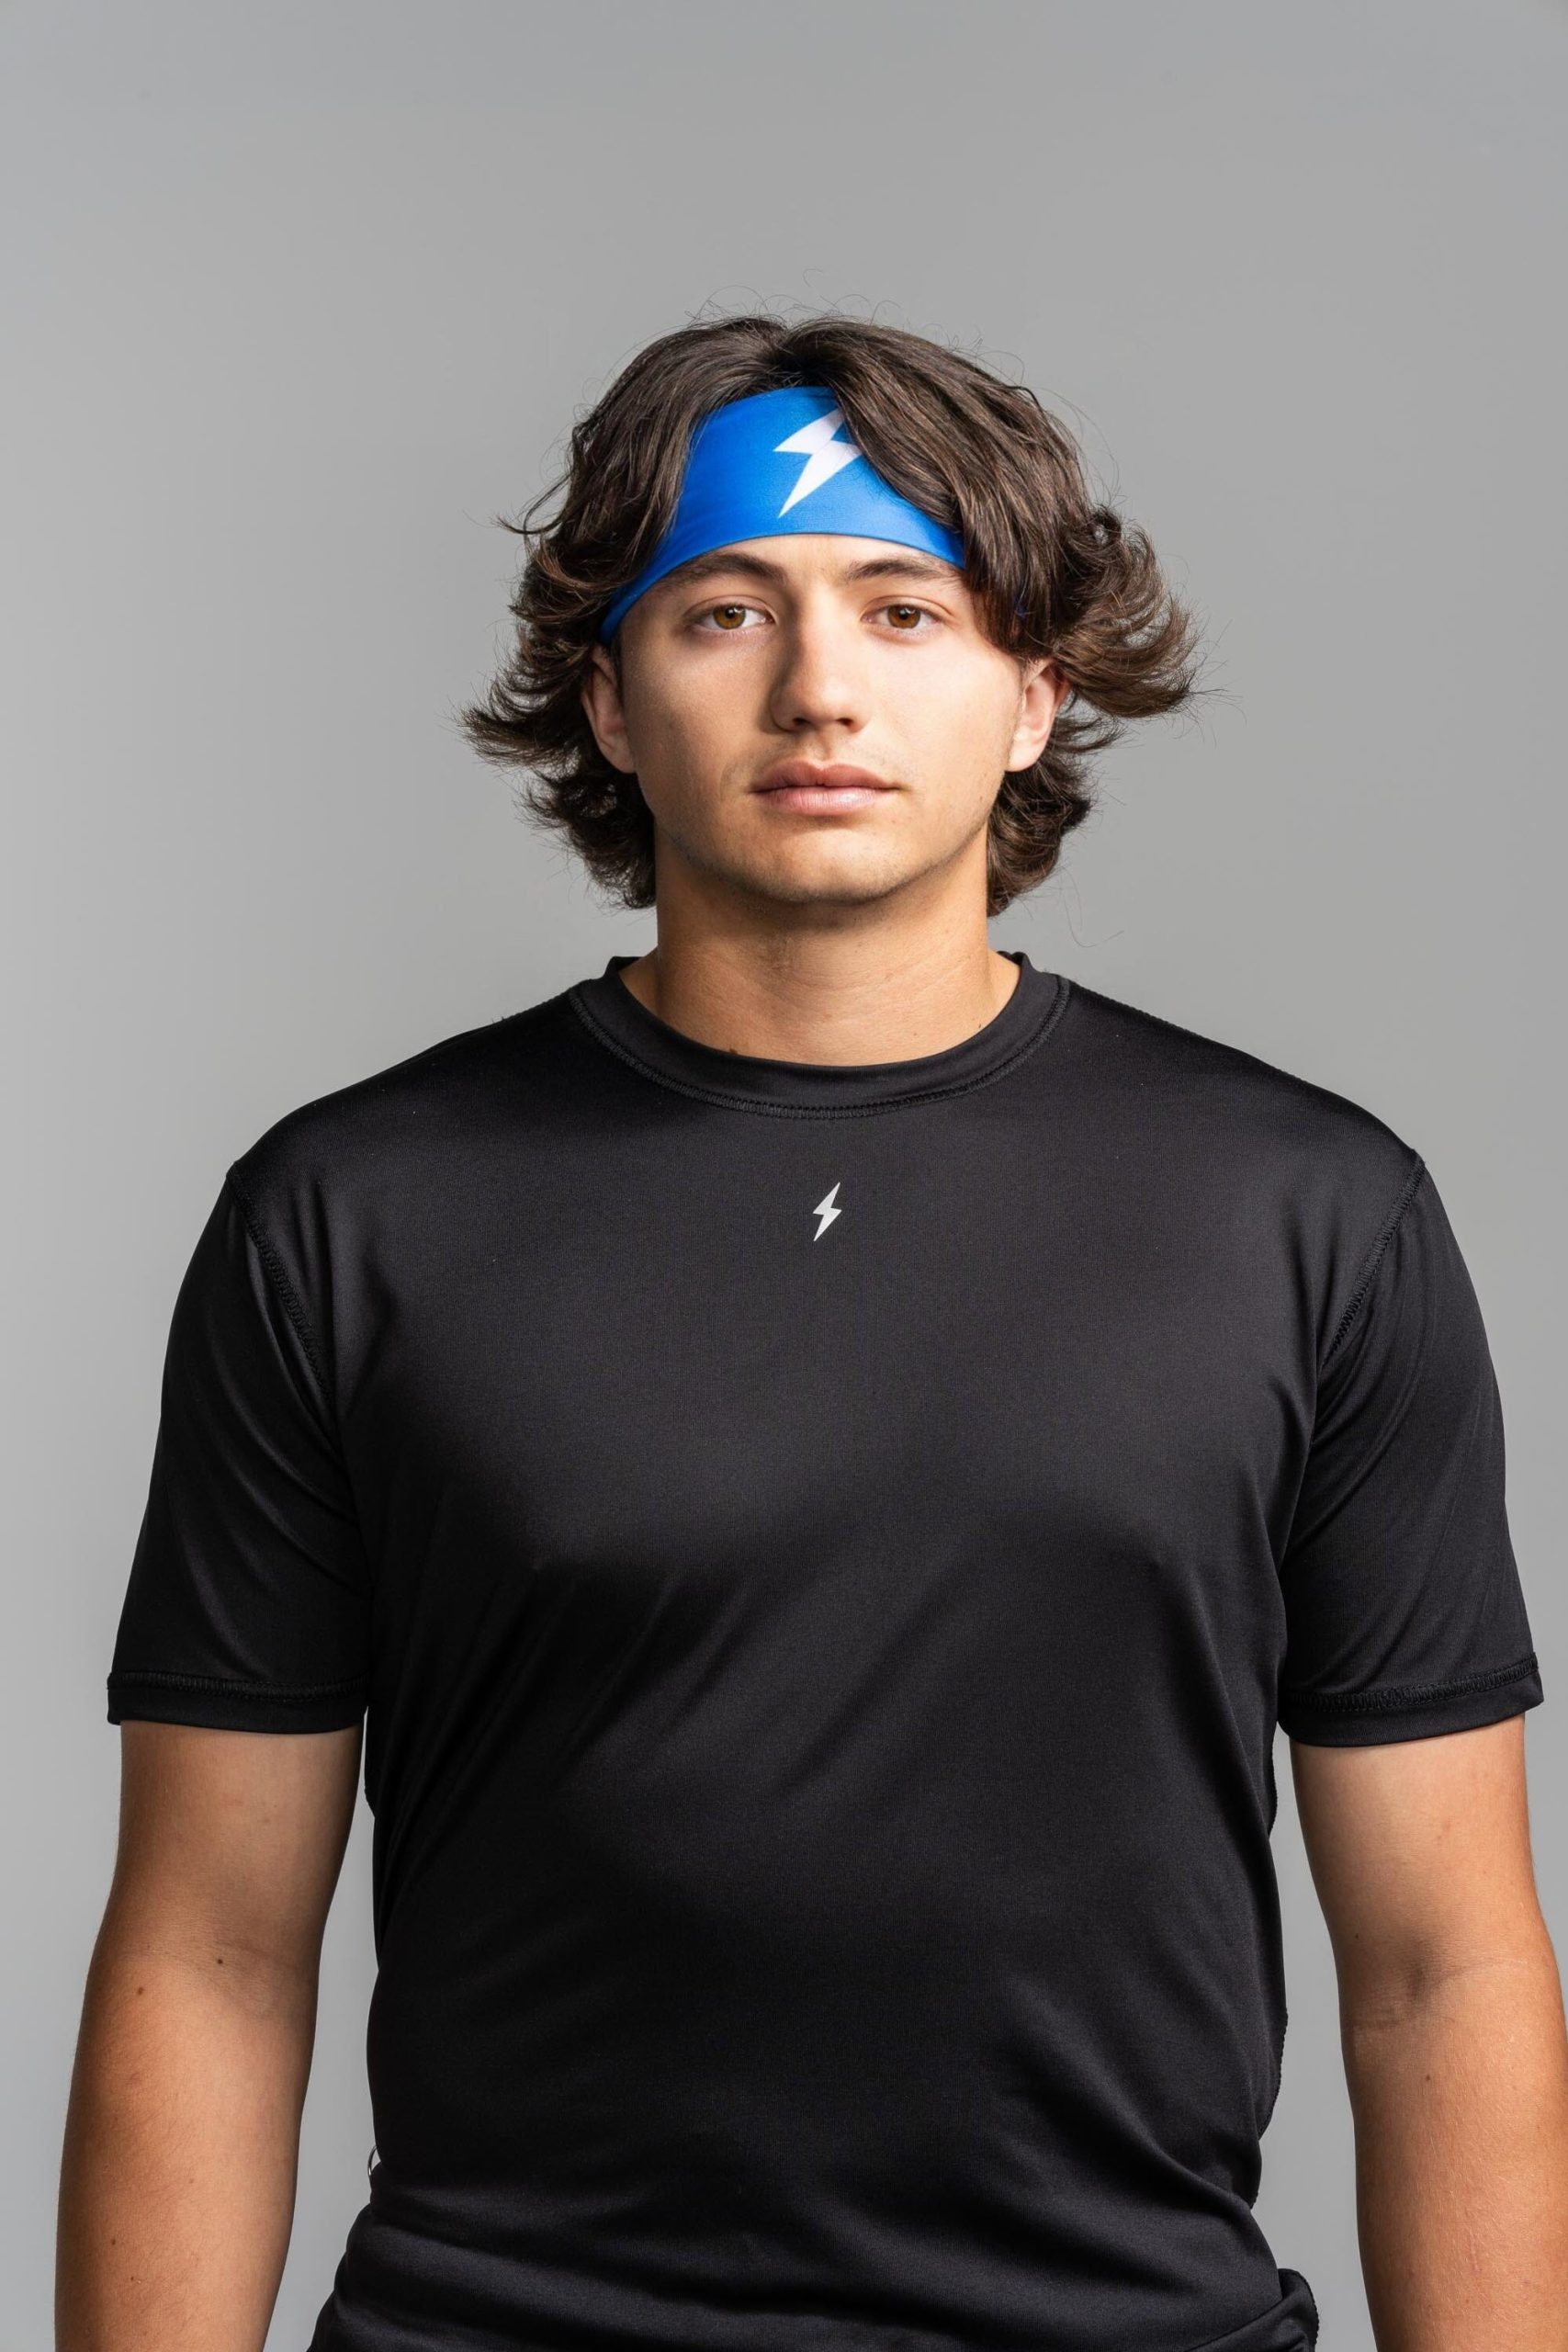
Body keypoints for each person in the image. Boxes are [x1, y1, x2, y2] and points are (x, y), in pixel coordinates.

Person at [58, 311, 1567, 2352]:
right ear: (605, 698)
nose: (819, 687)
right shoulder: (348, 1217)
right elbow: (215, 1954)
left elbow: (1441, 1972)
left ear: (1035, 693)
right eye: (724, 612)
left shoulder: (1309, 1217)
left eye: (903, 609)